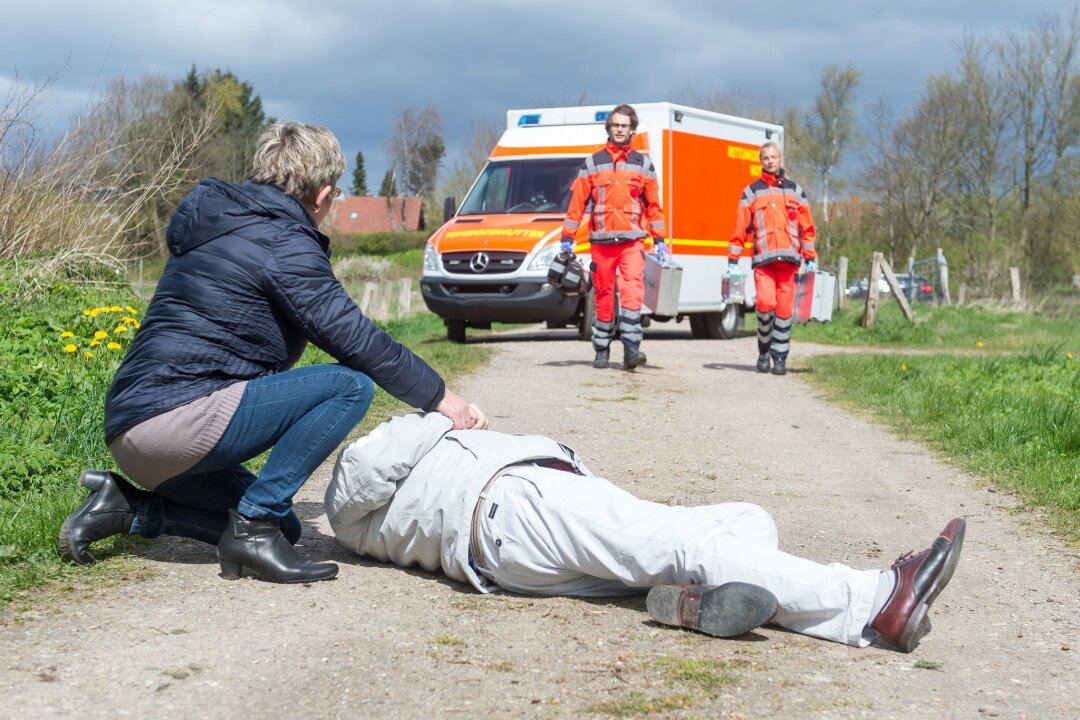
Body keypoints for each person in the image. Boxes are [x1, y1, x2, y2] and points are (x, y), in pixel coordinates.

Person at [59, 122, 484, 584]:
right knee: (348, 386)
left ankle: (128, 509)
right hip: (177, 424)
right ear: (322, 194)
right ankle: (253, 526)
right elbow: (355, 338)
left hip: (131, 432)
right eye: (336, 194)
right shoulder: (283, 241)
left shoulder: (218, 223)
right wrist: (442, 398)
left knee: (288, 527)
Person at [325, 412, 965, 652]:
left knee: (747, 523)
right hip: (517, 508)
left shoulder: (372, 526)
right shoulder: (363, 460)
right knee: (691, 545)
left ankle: (704, 605)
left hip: (513, 549)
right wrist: (443, 411)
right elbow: (396, 443)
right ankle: (876, 598)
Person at [560, 103, 667, 370]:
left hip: (632, 241)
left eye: (625, 125)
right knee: (604, 294)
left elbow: (654, 206)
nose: (620, 129)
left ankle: (632, 349)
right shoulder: (593, 163)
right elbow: (577, 204)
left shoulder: (644, 165)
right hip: (601, 242)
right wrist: (567, 237)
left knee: (632, 293)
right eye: (616, 125)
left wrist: (661, 239)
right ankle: (602, 349)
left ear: (632, 129)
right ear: (609, 127)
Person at [729, 141, 817, 376]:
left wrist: (810, 256)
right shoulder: (751, 192)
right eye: (766, 158)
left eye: (774, 157)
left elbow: (807, 228)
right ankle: (764, 350)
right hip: (763, 262)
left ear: (780, 159)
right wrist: (733, 257)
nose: (770, 161)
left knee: (785, 310)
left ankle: (780, 358)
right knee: (766, 305)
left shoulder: (796, 191)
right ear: (761, 161)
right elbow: (740, 227)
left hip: (789, 262)